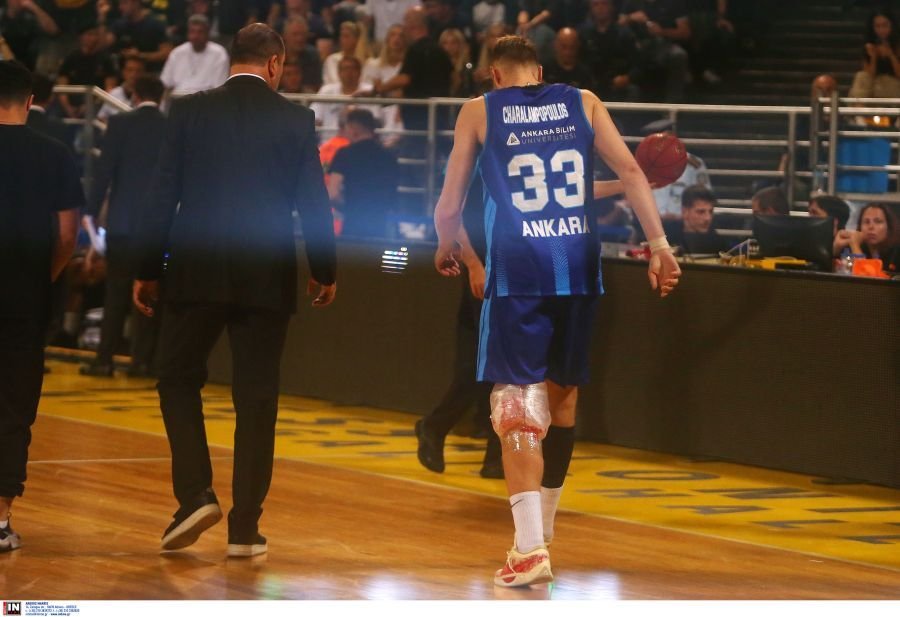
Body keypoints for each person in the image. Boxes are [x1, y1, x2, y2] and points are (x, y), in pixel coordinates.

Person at [432, 36, 681, 586]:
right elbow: (631, 175)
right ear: (541, 71)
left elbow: (449, 206)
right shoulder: (584, 101)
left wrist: (448, 243)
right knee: (563, 400)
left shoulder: (479, 111)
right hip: (578, 266)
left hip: (519, 272)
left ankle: (528, 551)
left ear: (495, 75)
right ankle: (543, 533)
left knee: (515, 404)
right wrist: (659, 247)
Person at [132, 23, 337, 558]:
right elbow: (313, 202)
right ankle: (245, 529)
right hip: (266, 275)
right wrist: (325, 269)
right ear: (274, 64)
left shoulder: (189, 111)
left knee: (177, 379)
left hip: (195, 270)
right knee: (257, 398)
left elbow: (162, 196)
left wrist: (147, 268)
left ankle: (195, 495)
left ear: (233, 60)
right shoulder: (295, 118)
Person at [0, 59, 81, 552]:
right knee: (15, 406)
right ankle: (0, 518)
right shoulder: (55, 154)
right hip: (27, 298)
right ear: (31, 101)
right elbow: (68, 235)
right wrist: (43, 277)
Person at [416, 174, 504, 480]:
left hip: (514, 267)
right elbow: (452, 213)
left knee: (491, 365)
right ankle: (437, 426)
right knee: (492, 364)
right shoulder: (476, 159)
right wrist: (474, 264)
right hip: (484, 268)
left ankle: (492, 454)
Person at [80, 75, 167, 379]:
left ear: (135, 95)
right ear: (161, 97)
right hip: (157, 228)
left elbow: (104, 173)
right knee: (149, 294)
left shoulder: (119, 124)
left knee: (115, 295)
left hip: (123, 224)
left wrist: (91, 213)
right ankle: (142, 362)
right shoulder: (171, 127)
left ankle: (105, 360)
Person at [326, 107, 399, 238]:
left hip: (352, 223)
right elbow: (393, 191)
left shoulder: (344, 153)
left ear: (353, 128)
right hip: (381, 226)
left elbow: (333, 194)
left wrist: (348, 209)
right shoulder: (389, 155)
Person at [160, 14, 230, 96]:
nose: (195, 36)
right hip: (178, 98)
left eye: (200, 32)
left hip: (205, 99)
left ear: (207, 33)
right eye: (192, 32)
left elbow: (219, 87)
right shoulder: (177, 52)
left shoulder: (219, 54)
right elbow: (165, 83)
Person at [849, 8, 900, 99]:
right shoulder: (869, 45)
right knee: (861, 76)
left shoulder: (897, 44)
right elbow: (869, 75)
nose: (881, 30)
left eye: (885, 25)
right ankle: (859, 107)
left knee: (885, 84)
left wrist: (891, 55)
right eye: (877, 26)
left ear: (892, 25)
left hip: (893, 84)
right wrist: (873, 57)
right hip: (874, 85)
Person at [834, 203, 900, 273]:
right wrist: (836, 250)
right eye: (866, 222)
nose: (871, 226)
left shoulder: (897, 253)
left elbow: (868, 277)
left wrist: (855, 245)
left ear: (889, 227)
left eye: (878, 222)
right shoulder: (852, 249)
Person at [663, 184, 728, 254]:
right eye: (701, 212)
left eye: (710, 211)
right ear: (685, 211)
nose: (708, 218)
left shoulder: (717, 241)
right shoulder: (665, 235)